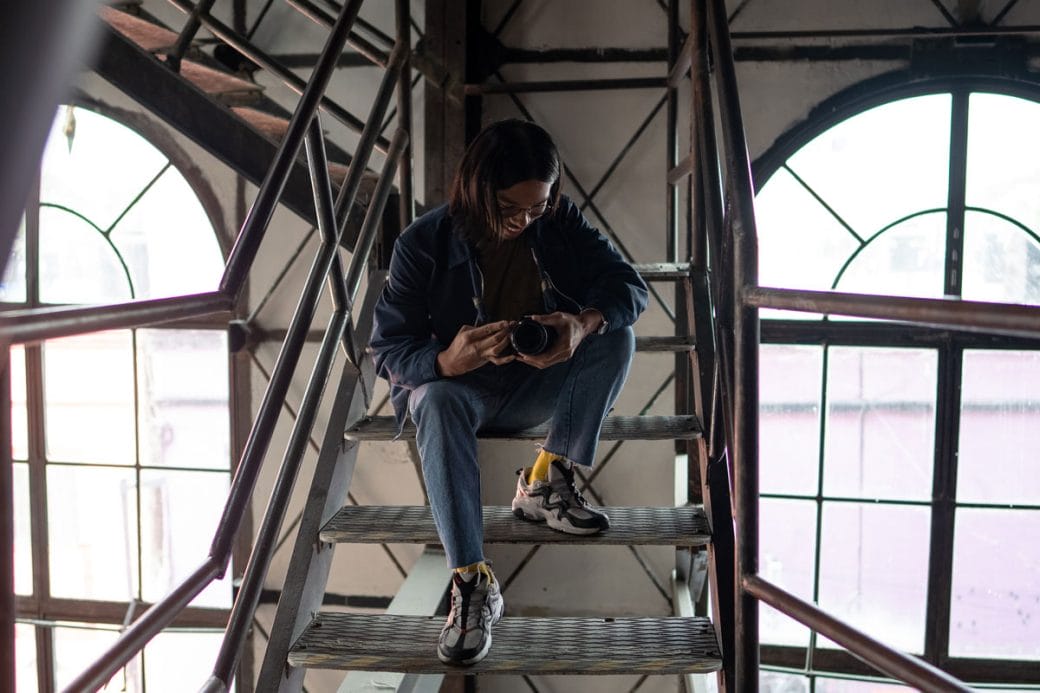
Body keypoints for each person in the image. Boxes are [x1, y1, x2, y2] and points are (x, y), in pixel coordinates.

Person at [369, 119, 648, 666]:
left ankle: (545, 482)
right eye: (509, 208)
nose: (523, 221)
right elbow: (388, 350)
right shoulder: (421, 242)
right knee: (435, 399)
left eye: (536, 208)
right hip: (458, 391)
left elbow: (629, 288)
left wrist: (579, 324)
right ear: (476, 190)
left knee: (616, 337)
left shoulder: (559, 222)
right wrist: (447, 359)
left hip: (532, 382)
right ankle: (471, 583)